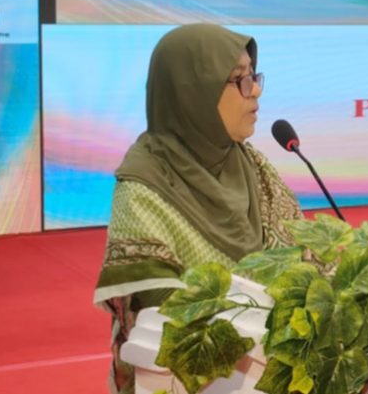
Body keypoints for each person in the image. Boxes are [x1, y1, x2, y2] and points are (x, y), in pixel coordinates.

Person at [93, 24, 303, 394]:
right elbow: (162, 317)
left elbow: (304, 258)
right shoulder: (144, 186)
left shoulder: (252, 166)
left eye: (253, 76)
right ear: (193, 93)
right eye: (239, 79)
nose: (254, 90)